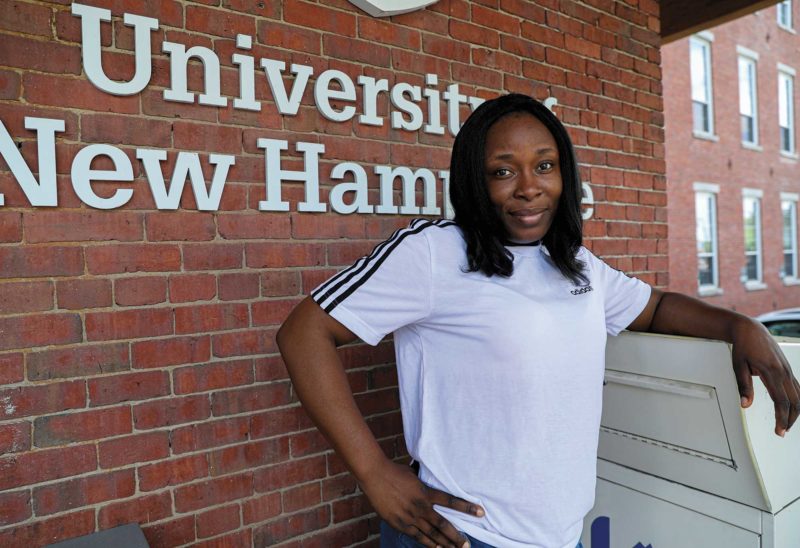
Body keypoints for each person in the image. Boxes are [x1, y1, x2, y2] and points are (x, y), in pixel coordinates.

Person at [277, 93, 800, 548]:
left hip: (560, 535)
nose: (528, 187)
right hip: (464, 536)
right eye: (503, 171)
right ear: (475, 182)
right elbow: (304, 334)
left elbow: (656, 308)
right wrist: (374, 473)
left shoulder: (574, 264)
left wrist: (738, 326)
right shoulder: (435, 252)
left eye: (545, 166)